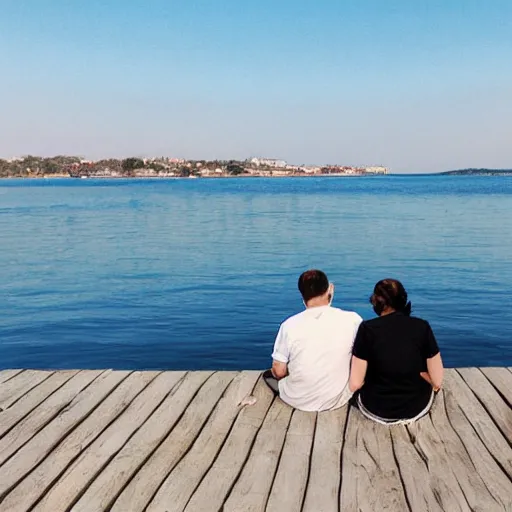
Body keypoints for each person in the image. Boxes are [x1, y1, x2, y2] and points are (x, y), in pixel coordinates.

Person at [263, 269, 362, 411]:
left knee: (268, 375)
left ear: (302, 294)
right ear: (330, 289)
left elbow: (279, 371)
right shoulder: (353, 319)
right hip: (338, 399)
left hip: (297, 400)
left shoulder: (289, 325)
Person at [349, 279, 444, 425]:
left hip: (375, 408)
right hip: (416, 407)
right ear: (403, 299)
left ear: (375, 302)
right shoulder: (422, 327)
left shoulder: (367, 329)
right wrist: (422, 374)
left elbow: (355, 384)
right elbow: (437, 381)